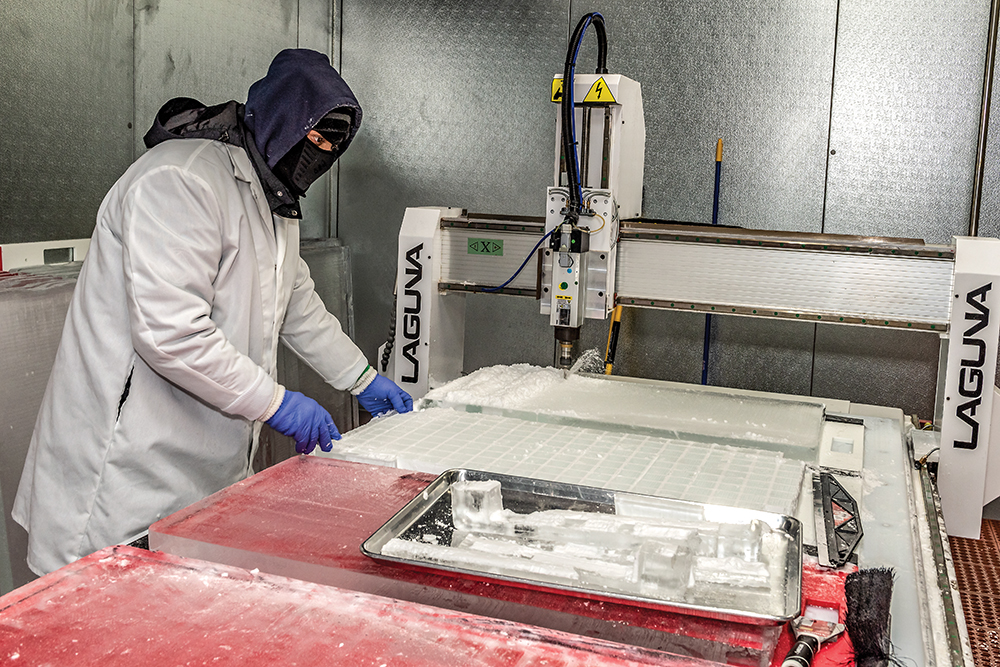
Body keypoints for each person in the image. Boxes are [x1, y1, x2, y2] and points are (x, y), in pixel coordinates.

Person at [13, 49, 412, 576]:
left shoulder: (274, 200)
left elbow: (296, 304)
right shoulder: (181, 180)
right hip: (122, 470)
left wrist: (360, 378)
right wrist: (276, 403)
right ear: (280, 121)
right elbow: (171, 333)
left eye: (330, 147)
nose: (317, 155)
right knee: (99, 605)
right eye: (313, 137)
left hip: (201, 468)